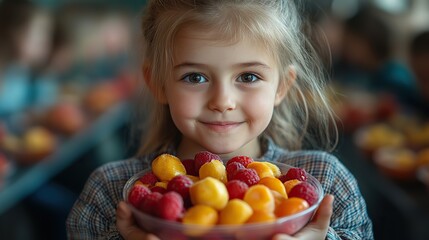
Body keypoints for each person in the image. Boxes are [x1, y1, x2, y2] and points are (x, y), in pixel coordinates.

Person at [66, 0, 373, 239]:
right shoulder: (110, 192)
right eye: (195, 77)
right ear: (158, 83)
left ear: (282, 86)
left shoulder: (328, 182)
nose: (222, 101)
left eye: (248, 76)